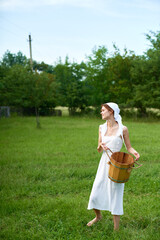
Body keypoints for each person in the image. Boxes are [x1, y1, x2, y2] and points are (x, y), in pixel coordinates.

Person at [87, 102, 140, 230]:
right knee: (95, 193)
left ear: (111, 112)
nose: (101, 112)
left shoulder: (123, 129)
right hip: (104, 164)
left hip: (117, 166)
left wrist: (135, 153)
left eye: (103, 110)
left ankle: (116, 230)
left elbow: (129, 147)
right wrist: (101, 146)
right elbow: (99, 148)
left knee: (115, 194)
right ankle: (98, 216)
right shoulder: (101, 128)